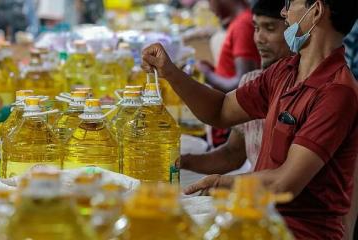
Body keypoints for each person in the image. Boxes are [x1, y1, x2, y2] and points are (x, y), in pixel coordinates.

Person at [141, 0, 358, 239]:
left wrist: (222, 183)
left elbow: (283, 184)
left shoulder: (337, 92)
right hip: (262, 219)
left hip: (299, 233)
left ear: (315, 11)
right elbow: (221, 110)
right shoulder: (285, 71)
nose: (283, 11)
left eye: (289, 3)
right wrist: (169, 72)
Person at [179, 0, 291, 174]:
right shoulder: (251, 82)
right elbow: (231, 154)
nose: (259, 39)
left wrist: (223, 183)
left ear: (294, 31)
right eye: (256, 28)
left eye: (269, 28)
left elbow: (285, 178)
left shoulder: (304, 90)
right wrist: (180, 162)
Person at [199, 0, 260, 93]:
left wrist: (206, 73)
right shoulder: (240, 20)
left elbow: (242, 83)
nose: (210, 8)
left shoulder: (242, 25)